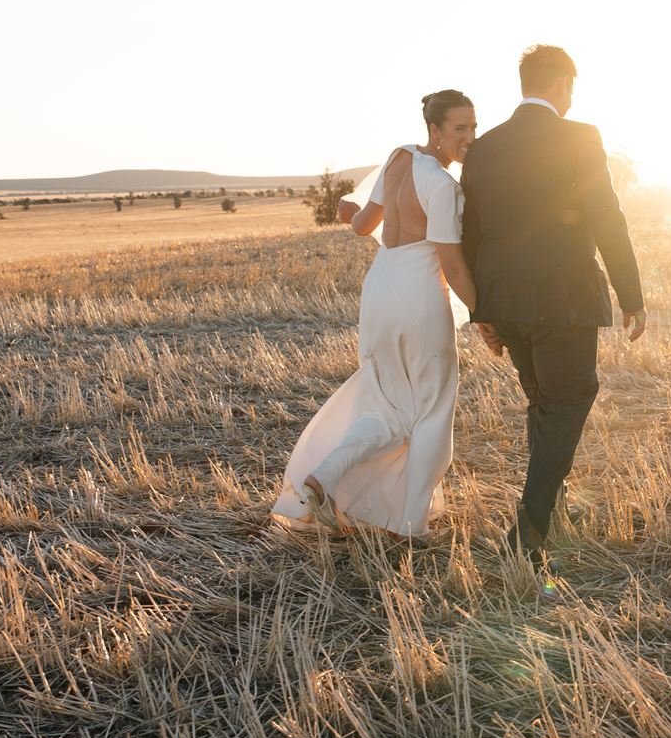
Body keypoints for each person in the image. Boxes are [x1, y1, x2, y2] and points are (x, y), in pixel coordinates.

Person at [461, 45, 645, 566]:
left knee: (544, 400)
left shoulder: (485, 147)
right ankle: (530, 531)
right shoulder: (580, 136)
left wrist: (483, 310)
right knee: (569, 398)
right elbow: (607, 216)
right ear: (563, 84)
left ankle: (554, 504)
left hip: (504, 299)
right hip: (563, 298)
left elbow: (469, 233)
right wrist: (631, 295)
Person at [270, 90, 478, 536]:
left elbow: (363, 224)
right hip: (420, 296)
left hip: (381, 289)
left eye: (474, 127)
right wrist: (486, 316)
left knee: (388, 405)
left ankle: (323, 477)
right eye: (460, 129)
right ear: (435, 131)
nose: (470, 137)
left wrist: (351, 211)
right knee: (432, 411)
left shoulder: (397, 157)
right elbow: (452, 264)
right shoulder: (444, 186)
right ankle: (411, 526)